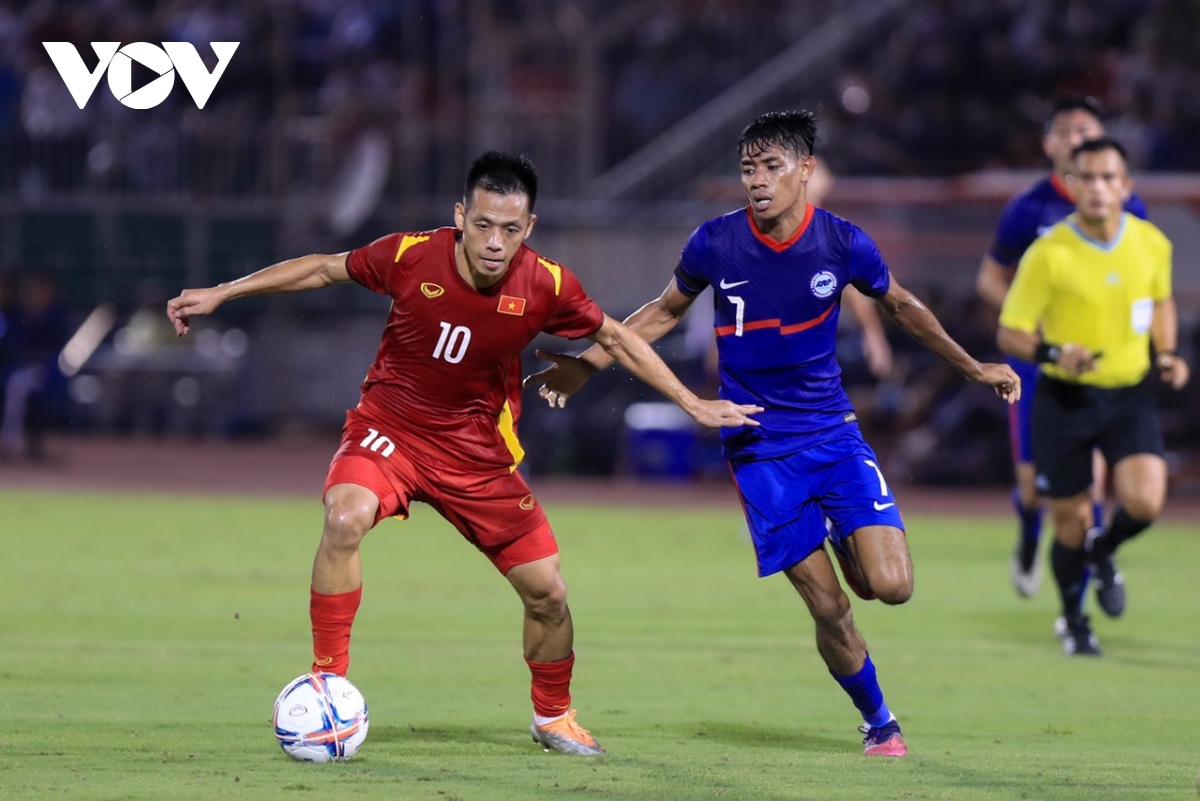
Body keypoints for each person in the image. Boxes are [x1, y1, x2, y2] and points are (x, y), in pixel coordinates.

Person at [166, 151, 762, 757]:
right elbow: (323, 269)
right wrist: (222, 291)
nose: (495, 242)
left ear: (528, 228)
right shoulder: (410, 254)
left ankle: (552, 717)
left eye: (510, 229)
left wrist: (693, 403)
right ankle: (327, 680)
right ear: (459, 216)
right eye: (482, 225)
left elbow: (615, 336)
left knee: (549, 594)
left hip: (476, 456)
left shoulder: (547, 284)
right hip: (390, 430)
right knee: (344, 517)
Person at [525, 111, 1020, 756]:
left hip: (833, 433)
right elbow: (663, 312)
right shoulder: (715, 242)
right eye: (747, 169)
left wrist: (974, 365)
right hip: (758, 446)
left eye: (771, 167)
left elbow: (903, 307)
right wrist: (588, 364)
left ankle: (847, 537)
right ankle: (880, 723)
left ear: (806, 171)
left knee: (888, 587)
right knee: (829, 606)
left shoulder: (842, 243)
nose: (756, 182)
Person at [997, 137, 1188, 656]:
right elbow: (1010, 334)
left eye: (1110, 178)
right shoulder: (1049, 252)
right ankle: (1073, 618)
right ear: (1073, 186)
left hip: (1128, 394)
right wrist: (1056, 353)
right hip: (1064, 398)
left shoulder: (1151, 243)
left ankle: (1105, 549)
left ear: (1126, 187)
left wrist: (1167, 352)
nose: (1099, 188)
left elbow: (1162, 300)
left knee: (1146, 501)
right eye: (1088, 178)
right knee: (1071, 522)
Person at [976, 95, 1149, 599]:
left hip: (1098, 363)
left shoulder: (1127, 206)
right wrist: (1027, 318)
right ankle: (1029, 533)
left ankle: (1094, 570)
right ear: (1049, 143)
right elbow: (990, 277)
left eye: (1087, 130)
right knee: (1036, 489)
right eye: (1068, 131)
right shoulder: (1028, 207)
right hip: (1036, 363)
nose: (1078, 140)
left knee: (1090, 478)